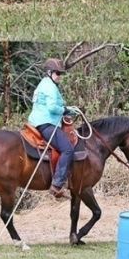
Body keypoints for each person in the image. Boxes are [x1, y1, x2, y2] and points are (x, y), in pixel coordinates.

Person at [28, 57, 74, 199]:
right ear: (49, 72)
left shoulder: (43, 84)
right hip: (46, 123)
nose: (60, 76)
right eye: (57, 73)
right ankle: (57, 185)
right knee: (68, 149)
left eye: (60, 74)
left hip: (37, 122)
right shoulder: (50, 87)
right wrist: (66, 110)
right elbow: (53, 107)